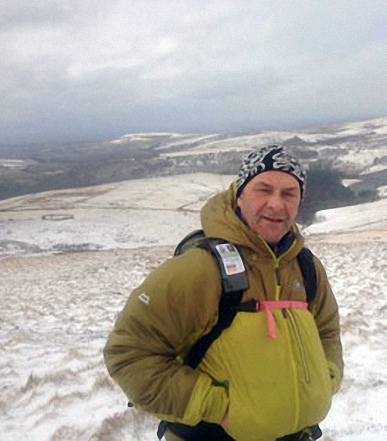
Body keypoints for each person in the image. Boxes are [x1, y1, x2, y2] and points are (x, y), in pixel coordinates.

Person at [104, 145, 344, 441]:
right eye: (263, 190)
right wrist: (217, 407)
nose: (276, 204)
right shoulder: (200, 268)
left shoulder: (306, 267)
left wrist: (327, 377)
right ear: (239, 194)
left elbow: (328, 331)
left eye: (288, 193)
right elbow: (128, 354)